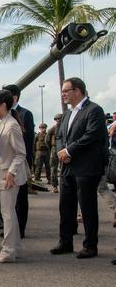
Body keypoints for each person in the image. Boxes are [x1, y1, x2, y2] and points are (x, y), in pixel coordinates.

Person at [51, 77, 109, 259]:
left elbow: (92, 135)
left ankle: (90, 245)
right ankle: (65, 242)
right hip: (67, 166)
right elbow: (60, 135)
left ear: (78, 91)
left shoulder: (94, 110)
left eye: (66, 91)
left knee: (87, 207)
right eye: (62, 91)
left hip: (86, 166)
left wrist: (69, 151)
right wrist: (62, 151)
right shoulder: (67, 114)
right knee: (65, 206)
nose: (63, 94)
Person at [0, 89, 30, 263]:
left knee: (8, 214)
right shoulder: (1, 121)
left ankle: (8, 251)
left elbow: (21, 153)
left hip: (9, 176)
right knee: (9, 213)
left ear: (3, 105)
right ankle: (16, 248)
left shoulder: (11, 125)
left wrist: (12, 172)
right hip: (2, 172)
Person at [2, 84, 34, 239]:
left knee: (20, 199)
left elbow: (27, 142)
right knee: (9, 203)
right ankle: (11, 229)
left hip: (19, 163)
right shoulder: (4, 116)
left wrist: (26, 164)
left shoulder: (25, 114)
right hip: (6, 164)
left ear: (14, 98)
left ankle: (20, 228)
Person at [46, 114, 63, 193]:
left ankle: (65, 185)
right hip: (55, 148)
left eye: (59, 119)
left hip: (64, 148)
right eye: (56, 119)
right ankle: (55, 186)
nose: (58, 120)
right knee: (53, 168)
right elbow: (47, 139)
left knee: (65, 168)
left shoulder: (65, 126)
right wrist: (51, 147)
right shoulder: (53, 128)